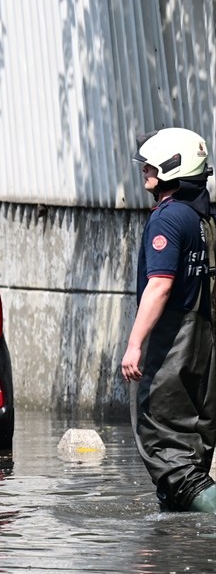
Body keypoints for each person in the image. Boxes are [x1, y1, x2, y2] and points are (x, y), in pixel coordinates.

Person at [120, 127, 216, 513]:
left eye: (149, 164)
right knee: (194, 447)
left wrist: (134, 343)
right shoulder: (205, 218)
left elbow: (159, 286)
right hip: (205, 350)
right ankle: (183, 555)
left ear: (170, 166)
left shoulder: (168, 219)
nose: (144, 170)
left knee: (166, 449)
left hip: (174, 346)